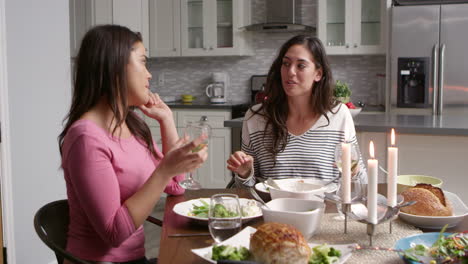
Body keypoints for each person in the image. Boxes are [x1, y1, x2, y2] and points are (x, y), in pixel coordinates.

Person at [58, 25, 208, 264]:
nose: (149, 75)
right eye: (143, 62)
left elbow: (176, 186)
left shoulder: (132, 125)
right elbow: (114, 234)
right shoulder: (86, 139)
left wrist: (167, 120)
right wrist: (165, 170)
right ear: (115, 68)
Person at [227, 35, 366, 187]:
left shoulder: (339, 115)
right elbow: (247, 193)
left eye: (300, 66)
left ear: (318, 74)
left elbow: (362, 182)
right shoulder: (255, 118)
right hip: (273, 209)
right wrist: (244, 174)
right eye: (286, 64)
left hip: (325, 209)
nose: (290, 71)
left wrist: (354, 172)